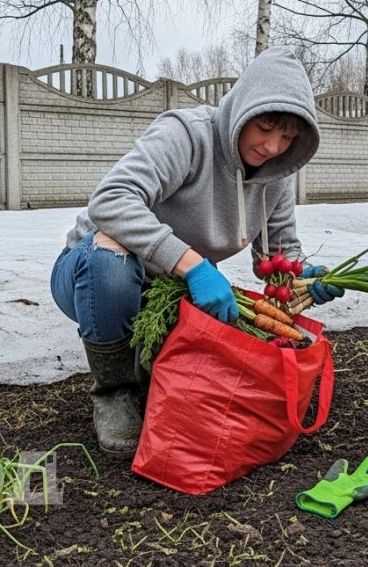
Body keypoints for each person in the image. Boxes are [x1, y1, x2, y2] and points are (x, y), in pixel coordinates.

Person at [50, 46, 342, 455]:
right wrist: (194, 265)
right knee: (111, 253)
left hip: (168, 290)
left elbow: (277, 254)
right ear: (244, 107)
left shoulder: (276, 174)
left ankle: (147, 372)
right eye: (266, 127)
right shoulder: (187, 134)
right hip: (92, 276)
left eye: (287, 136)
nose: (274, 146)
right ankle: (113, 392)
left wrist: (304, 277)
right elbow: (110, 200)